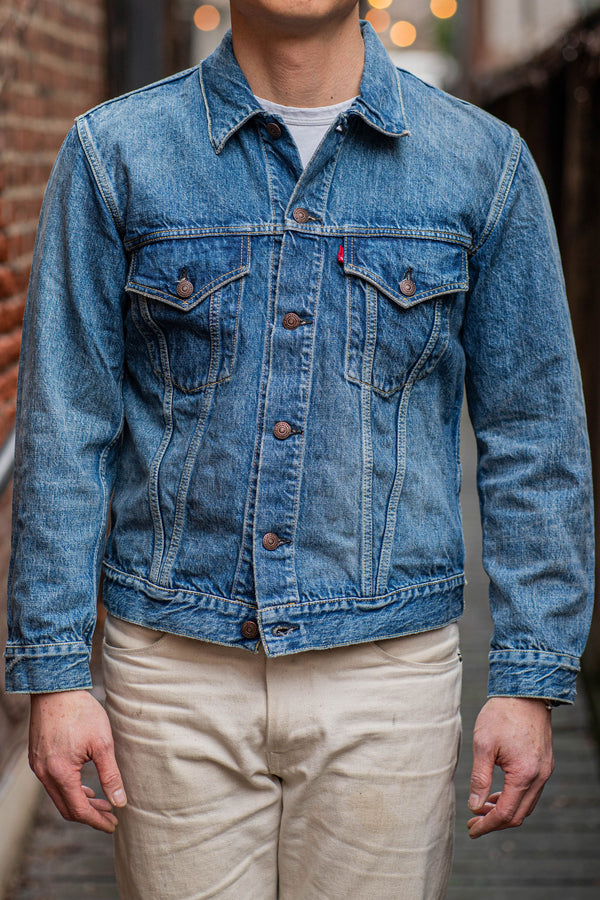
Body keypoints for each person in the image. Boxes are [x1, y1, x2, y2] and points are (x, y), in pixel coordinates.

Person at [4, 2, 594, 898]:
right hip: (171, 673)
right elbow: (65, 425)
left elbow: (534, 432)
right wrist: (53, 674)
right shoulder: (114, 153)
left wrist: (529, 676)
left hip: (388, 676)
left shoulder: (483, 163)